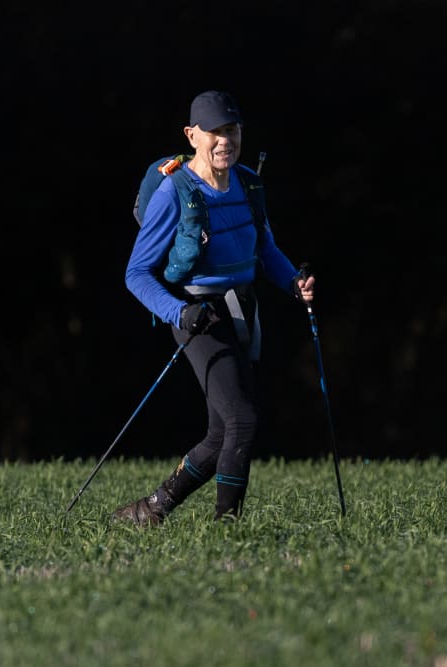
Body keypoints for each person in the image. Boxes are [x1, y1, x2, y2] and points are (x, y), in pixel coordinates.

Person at [113, 90, 315, 525]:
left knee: (222, 431)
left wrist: (293, 284)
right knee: (242, 419)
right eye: (214, 132)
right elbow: (137, 273)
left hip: (240, 309)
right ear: (192, 135)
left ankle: (150, 510)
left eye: (232, 130)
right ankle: (228, 528)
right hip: (196, 315)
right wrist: (179, 313)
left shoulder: (248, 183)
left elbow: (265, 248)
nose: (225, 141)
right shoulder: (173, 192)